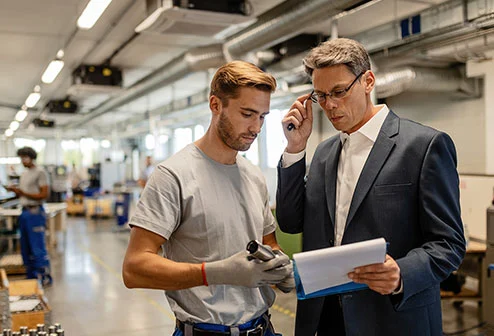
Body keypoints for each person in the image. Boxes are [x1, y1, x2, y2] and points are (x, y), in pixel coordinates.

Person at [276, 38, 466, 336]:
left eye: (339, 92)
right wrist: (295, 149)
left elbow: (449, 244)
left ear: (368, 81)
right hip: (324, 317)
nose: (330, 105)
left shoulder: (423, 146)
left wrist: (401, 274)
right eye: (321, 96)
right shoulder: (325, 153)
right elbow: (289, 222)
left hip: (391, 317)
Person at [123, 60, 294, 336]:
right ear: (216, 105)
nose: (256, 127)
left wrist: (279, 265)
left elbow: (268, 243)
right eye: (247, 114)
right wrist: (214, 272)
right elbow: (134, 268)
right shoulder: (173, 176)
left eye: (262, 116)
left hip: (263, 328)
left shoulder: (253, 176)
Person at [6, 147, 52, 285]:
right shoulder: (25, 173)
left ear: (31, 157)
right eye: (21, 158)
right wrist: (16, 191)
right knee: (25, 248)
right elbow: (25, 192)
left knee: (37, 247)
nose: (22, 160)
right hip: (25, 212)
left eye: (24, 157)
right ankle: (31, 278)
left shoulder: (40, 172)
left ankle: (44, 277)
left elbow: (44, 194)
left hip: (35, 212)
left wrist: (23, 193)